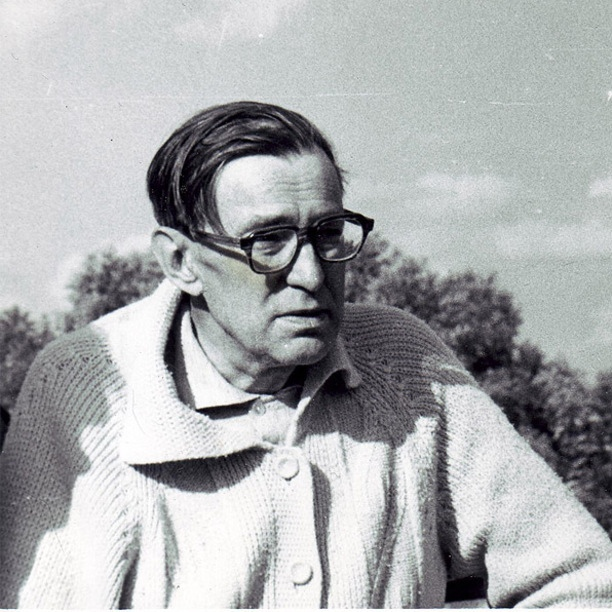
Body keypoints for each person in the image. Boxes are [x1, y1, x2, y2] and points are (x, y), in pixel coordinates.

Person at [1, 101, 611, 609]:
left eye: (327, 233)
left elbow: (582, 583)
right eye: (268, 241)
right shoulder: (85, 388)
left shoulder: (402, 361)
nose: (313, 274)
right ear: (180, 261)